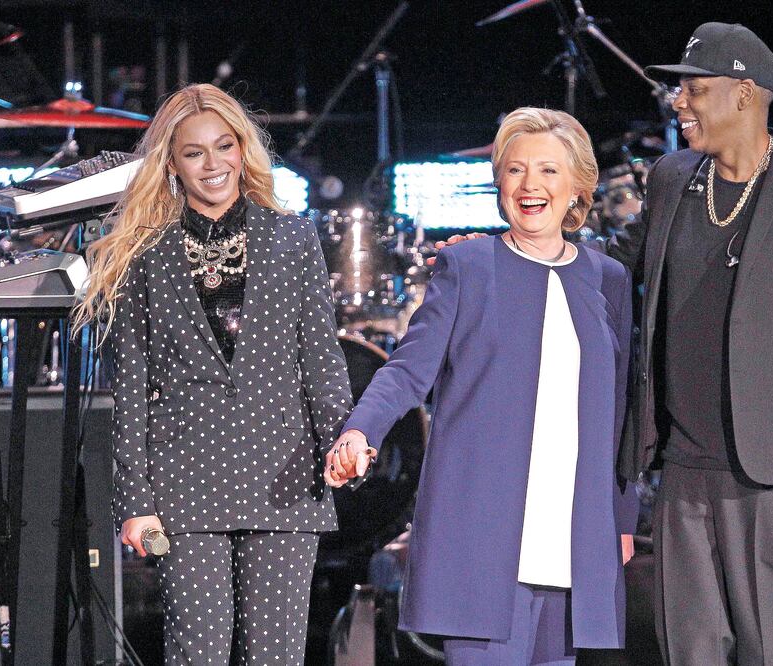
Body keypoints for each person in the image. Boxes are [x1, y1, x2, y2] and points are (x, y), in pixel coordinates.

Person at [439, 22, 773, 665]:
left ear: (744, 95)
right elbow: (608, 266)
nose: (679, 103)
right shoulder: (673, 177)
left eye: (694, 90)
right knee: (689, 646)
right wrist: (495, 256)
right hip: (682, 464)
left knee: (772, 643)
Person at [328, 107, 638, 665]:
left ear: (577, 188)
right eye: (515, 170)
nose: (530, 185)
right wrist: (360, 429)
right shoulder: (467, 266)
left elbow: (618, 414)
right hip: (483, 536)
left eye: (547, 171)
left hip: (572, 537)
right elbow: (406, 369)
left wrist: (620, 517)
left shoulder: (606, 278)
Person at [74, 83, 353, 664]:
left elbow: (323, 364)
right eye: (194, 152)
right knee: (195, 652)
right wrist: (135, 499)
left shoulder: (293, 238)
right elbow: (129, 388)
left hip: (285, 476)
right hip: (184, 481)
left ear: (243, 149)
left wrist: (346, 441)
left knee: (274, 655)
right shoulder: (142, 251)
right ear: (171, 164)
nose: (213, 164)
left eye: (224, 146)